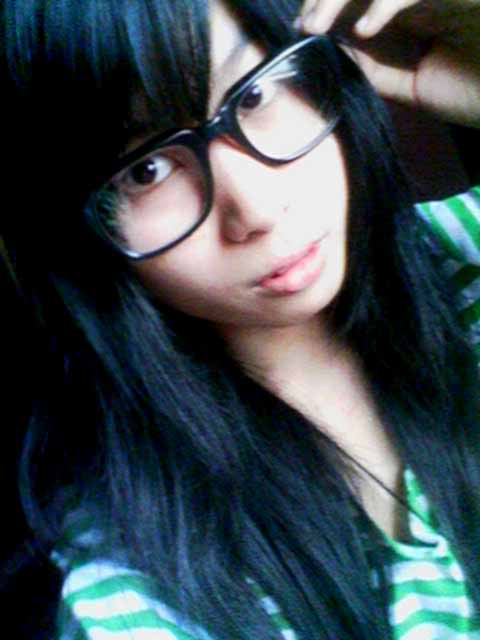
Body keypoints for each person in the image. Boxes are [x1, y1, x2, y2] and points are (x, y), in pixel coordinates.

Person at [1, 0, 480, 638]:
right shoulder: (142, 592)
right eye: (146, 169)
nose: (254, 208)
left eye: (253, 94)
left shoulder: (458, 251)